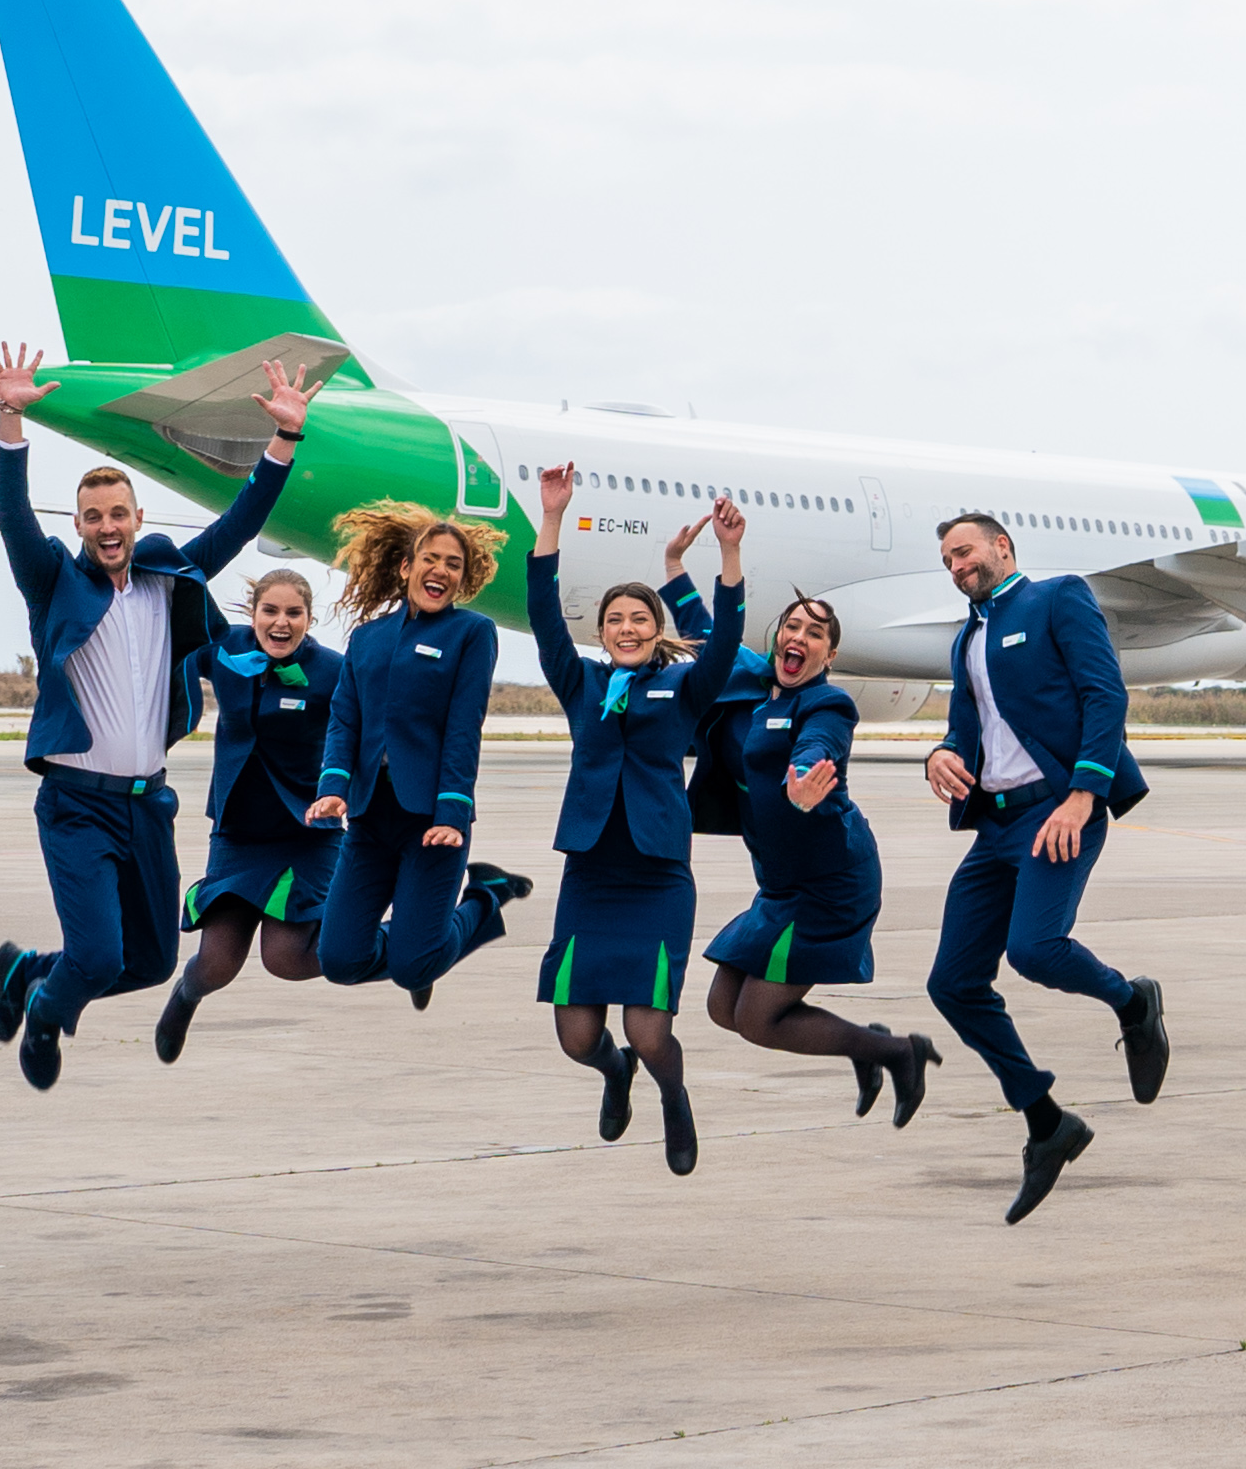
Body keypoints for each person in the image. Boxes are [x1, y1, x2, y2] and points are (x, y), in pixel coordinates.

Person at [0, 339, 308, 1088]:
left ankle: (29, 971)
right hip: (74, 803)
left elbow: (239, 522)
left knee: (153, 961)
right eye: (92, 516)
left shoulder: (169, 580)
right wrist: (10, 422)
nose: (106, 526)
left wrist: (284, 439)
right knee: (96, 957)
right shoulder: (55, 583)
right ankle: (48, 1014)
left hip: (147, 805)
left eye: (117, 513)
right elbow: (11, 520)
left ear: (137, 516)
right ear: (79, 524)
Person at [921, 509, 1171, 1223]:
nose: (956, 565)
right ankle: (1045, 1120)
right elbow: (969, 730)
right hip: (995, 824)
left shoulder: (1059, 596)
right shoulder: (968, 637)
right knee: (953, 984)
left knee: (1034, 949)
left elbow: (1105, 694)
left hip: (1059, 810)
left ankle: (1132, 1001)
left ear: (1002, 546)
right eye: (947, 560)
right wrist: (939, 754)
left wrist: (1084, 795)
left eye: (964, 551)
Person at [521, 466, 748, 1173]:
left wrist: (729, 557)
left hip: (655, 877)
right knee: (577, 1036)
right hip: (591, 872)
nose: (626, 628)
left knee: (651, 1032)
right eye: (616, 619)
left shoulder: (683, 687)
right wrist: (552, 517)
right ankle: (613, 1074)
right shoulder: (581, 683)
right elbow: (541, 611)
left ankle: (672, 1098)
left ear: (656, 632)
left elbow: (727, 636)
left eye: (639, 620)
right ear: (605, 631)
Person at [693, 588, 935, 1123]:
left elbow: (818, 744)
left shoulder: (826, 703)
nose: (799, 637)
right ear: (778, 639)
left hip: (830, 880)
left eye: (815, 633)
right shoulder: (757, 686)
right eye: (792, 627)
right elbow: (710, 636)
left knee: (758, 1020)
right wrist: (674, 572)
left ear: (830, 656)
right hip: (780, 882)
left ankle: (898, 1053)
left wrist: (804, 779)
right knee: (720, 1009)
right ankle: (868, 1047)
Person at [307, 499, 531, 1005]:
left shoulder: (471, 633)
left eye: (454, 564)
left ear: (463, 579)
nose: (442, 570)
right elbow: (345, 719)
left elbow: (463, 728)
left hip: (432, 821)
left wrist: (453, 810)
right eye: (431, 558)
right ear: (407, 567)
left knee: (413, 968)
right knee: (339, 961)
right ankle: (422, 946)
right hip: (368, 819)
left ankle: (484, 897)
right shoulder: (366, 639)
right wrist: (334, 788)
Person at [153, 564, 335, 1061]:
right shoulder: (228, 649)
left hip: (307, 831)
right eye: (270, 611)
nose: (282, 622)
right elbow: (179, 620)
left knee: (286, 959)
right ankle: (184, 999)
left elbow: (371, 730)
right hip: (239, 830)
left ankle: (390, 946)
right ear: (252, 614)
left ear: (309, 618)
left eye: (293, 613)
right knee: (216, 963)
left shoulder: (333, 671)